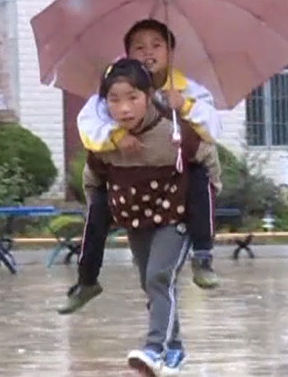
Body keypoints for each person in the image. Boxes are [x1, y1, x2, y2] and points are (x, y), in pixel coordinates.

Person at [58, 19, 222, 315]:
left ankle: (203, 257)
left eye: (157, 45)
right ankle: (86, 280)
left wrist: (185, 106)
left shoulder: (187, 89)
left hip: (175, 177)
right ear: (128, 54)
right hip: (130, 180)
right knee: (98, 210)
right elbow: (88, 123)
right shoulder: (115, 87)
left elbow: (213, 130)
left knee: (200, 179)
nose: (148, 52)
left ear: (170, 52)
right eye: (139, 47)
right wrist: (116, 135)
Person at [87, 58, 221, 375]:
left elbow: (208, 160)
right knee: (153, 284)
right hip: (138, 220)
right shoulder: (106, 140)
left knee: (159, 277)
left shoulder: (173, 131)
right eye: (114, 100)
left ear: (148, 96)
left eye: (132, 97)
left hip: (177, 217)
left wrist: (206, 205)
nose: (124, 108)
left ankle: (155, 348)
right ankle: (174, 349)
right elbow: (93, 179)